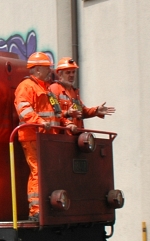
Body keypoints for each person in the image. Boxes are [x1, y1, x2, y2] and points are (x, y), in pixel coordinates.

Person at [14, 52, 59, 219]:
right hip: (33, 136)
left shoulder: (46, 89)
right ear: (37, 69)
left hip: (47, 137)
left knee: (46, 172)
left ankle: (48, 207)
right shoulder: (26, 86)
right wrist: (40, 122)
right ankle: (36, 211)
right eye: (47, 68)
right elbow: (24, 110)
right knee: (38, 172)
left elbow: (56, 112)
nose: (50, 72)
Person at [48, 57, 115, 132]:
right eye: (68, 72)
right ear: (59, 74)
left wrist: (96, 111)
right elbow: (54, 112)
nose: (71, 75)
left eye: (73, 72)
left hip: (75, 135)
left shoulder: (74, 92)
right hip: (61, 136)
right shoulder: (53, 89)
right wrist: (67, 115)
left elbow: (82, 111)